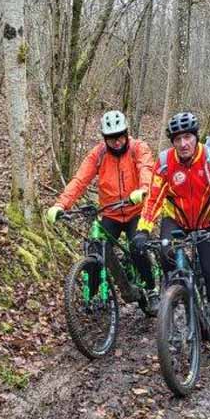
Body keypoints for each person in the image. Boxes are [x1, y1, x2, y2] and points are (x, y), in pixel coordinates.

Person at [132, 111, 210, 343]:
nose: (183, 144)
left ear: (196, 137)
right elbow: (153, 199)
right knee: (166, 254)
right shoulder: (165, 163)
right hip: (176, 220)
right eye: (177, 139)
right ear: (172, 142)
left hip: (207, 221)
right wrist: (143, 229)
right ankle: (171, 301)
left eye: (188, 137)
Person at [46, 110, 159, 314]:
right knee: (95, 249)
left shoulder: (138, 148)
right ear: (104, 138)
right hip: (111, 213)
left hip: (135, 210)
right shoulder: (98, 154)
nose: (116, 142)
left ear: (126, 133)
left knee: (137, 247)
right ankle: (93, 295)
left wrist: (143, 189)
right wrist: (61, 205)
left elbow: (147, 169)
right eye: (111, 138)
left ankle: (151, 289)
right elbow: (80, 180)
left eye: (120, 136)